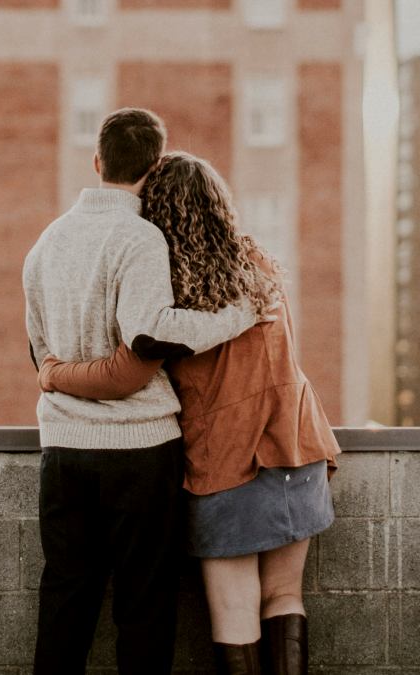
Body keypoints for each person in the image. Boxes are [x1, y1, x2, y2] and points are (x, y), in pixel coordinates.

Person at [38, 151, 342, 675]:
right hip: (296, 444)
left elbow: (133, 363)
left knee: (235, 609)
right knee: (285, 597)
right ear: (219, 204)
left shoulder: (170, 288)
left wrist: (53, 372)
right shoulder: (260, 267)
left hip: (225, 460)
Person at [22, 109, 262, 675]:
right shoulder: (141, 237)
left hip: (62, 451)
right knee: (144, 604)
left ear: (97, 161)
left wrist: (59, 378)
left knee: (65, 596)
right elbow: (151, 331)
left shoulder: (48, 240)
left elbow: (39, 352)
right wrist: (236, 315)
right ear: (155, 168)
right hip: (140, 451)